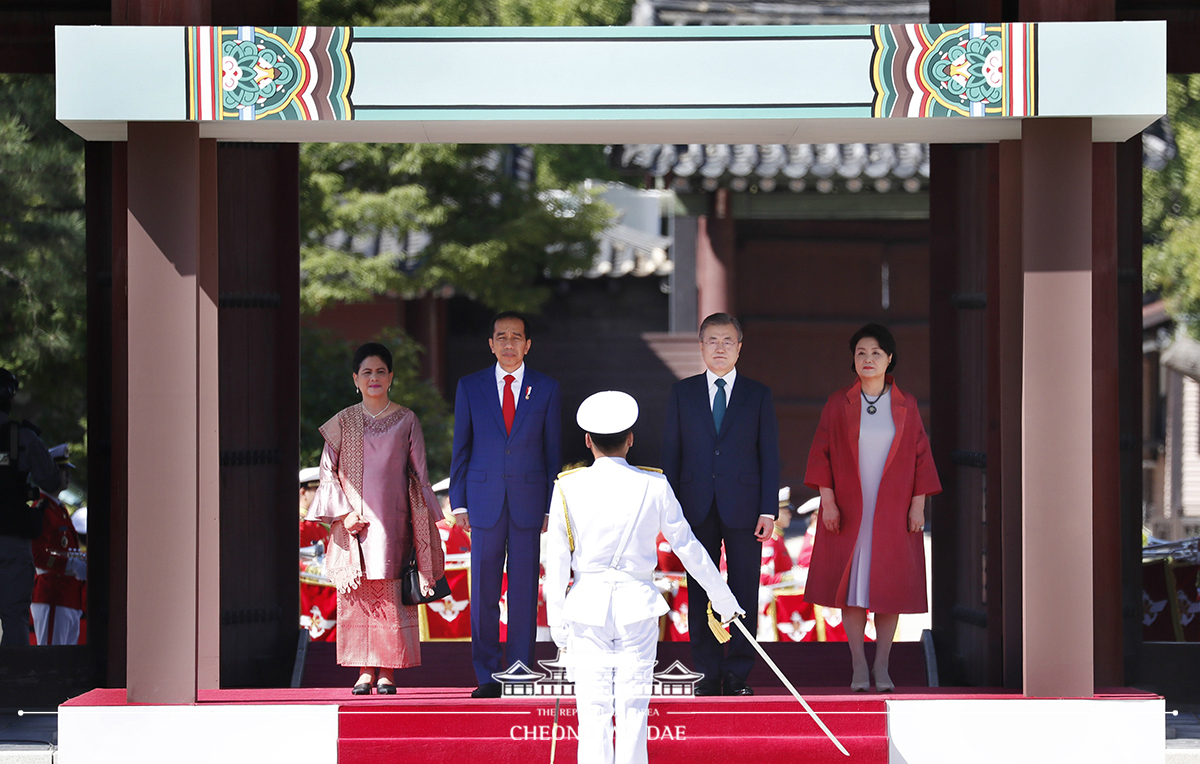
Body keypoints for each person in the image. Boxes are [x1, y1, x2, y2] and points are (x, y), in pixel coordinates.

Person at [546, 391, 743, 764]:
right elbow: (689, 548)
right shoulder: (654, 485)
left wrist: (558, 625)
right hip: (638, 603)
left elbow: (555, 561)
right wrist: (724, 600)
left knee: (592, 708)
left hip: (586, 606)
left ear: (588, 441)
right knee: (634, 705)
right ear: (630, 439)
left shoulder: (567, 487)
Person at [803, 323, 941, 692]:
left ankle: (882, 664)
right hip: (848, 509)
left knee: (888, 586)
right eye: (861, 353)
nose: (868, 359)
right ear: (853, 359)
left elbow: (921, 457)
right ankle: (858, 665)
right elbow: (821, 454)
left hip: (894, 509)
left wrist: (918, 506)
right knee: (853, 588)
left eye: (876, 353)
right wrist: (828, 501)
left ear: (890, 358)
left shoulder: (906, 405)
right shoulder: (838, 403)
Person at [307, 343, 445, 694]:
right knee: (358, 594)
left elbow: (420, 476)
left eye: (380, 371)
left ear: (391, 377)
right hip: (353, 525)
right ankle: (363, 671)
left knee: (389, 593)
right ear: (355, 378)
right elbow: (327, 473)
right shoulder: (342, 422)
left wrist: (430, 522)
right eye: (366, 372)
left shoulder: (407, 420)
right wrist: (344, 514)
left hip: (395, 523)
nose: (374, 378)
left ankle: (387, 672)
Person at [661, 312, 780, 696]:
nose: (720, 348)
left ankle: (737, 672)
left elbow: (770, 455)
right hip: (695, 506)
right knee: (700, 589)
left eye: (728, 341)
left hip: (746, 507)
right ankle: (708, 673)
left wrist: (768, 509)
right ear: (701, 346)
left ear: (739, 348)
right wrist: (671, 510)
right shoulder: (683, 393)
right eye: (712, 341)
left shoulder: (758, 394)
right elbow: (672, 455)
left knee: (745, 588)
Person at [449, 311, 562, 699]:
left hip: (530, 501)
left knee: (524, 589)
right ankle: (486, 674)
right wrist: (458, 500)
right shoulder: (471, 386)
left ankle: (518, 672)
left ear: (528, 345)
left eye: (517, 337)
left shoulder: (546, 388)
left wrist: (550, 505)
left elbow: (552, 454)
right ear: (491, 343)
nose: (509, 343)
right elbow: (461, 447)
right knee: (482, 590)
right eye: (502, 337)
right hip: (482, 500)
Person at [0, 368, 64, 647]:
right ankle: (13, 685)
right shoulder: (23, 438)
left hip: (14, 537)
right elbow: (49, 479)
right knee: (14, 618)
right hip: (12, 539)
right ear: (10, 399)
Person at [30, 445, 87, 645]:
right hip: (53, 593)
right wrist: (70, 565)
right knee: (51, 660)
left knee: (63, 661)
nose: (67, 477)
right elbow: (37, 555)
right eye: (63, 472)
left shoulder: (58, 508)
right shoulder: (44, 510)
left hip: (67, 596)